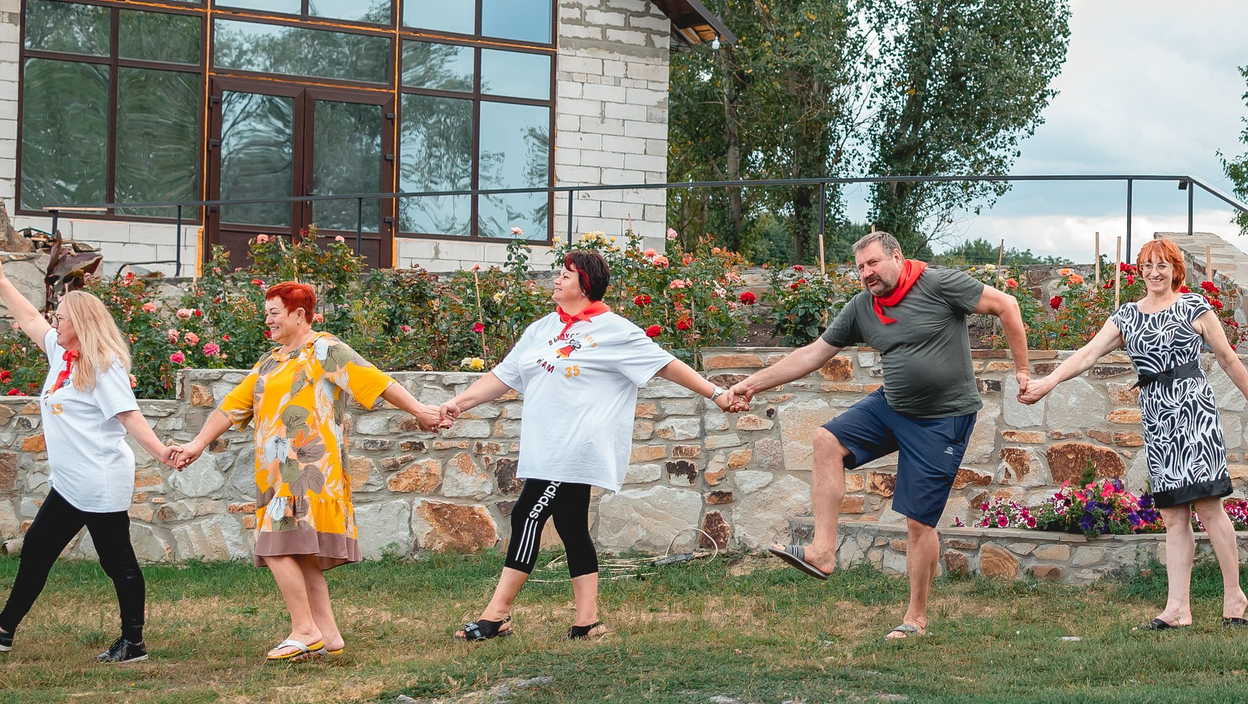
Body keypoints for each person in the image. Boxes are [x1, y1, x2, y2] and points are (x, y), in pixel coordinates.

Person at [717, 231, 1032, 640]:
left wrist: (1022, 371)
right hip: (893, 406)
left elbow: (1007, 305)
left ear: (896, 257)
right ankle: (822, 552)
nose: (866, 273)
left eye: (873, 263)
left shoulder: (938, 284)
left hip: (943, 419)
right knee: (826, 441)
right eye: (860, 267)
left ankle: (915, 617)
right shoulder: (863, 307)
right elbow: (813, 354)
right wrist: (752, 384)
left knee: (919, 522)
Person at [435, 250, 733, 641]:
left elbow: (664, 364)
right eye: (558, 274)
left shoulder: (616, 331)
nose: (556, 280)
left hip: (578, 447)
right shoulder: (541, 329)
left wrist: (717, 393)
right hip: (546, 447)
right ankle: (587, 622)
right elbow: (504, 375)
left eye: (566, 275)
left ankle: (497, 614)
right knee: (571, 526)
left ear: (586, 285)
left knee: (527, 514)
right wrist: (458, 402)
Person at [1018, 238, 1248, 629]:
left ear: (1175, 270)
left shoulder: (1193, 306)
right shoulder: (1126, 316)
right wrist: (1048, 383)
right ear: (1139, 271)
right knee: (1173, 515)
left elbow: (1228, 358)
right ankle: (1177, 608)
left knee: (1209, 508)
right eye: (1147, 266)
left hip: (1194, 414)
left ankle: (1235, 598)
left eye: (1162, 265)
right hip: (1158, 418)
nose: (1155, 272)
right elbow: (1086, 354)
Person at [168, 281, 439, 660]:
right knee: (299, 553)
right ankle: (328, 635)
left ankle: (304, 629)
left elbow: (376, 380)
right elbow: (233, 406)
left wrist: (421, 411)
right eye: (267, 312)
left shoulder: (323, 349)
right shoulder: (271, 360)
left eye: (274, 313)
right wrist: (196, 445)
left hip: (310, 467)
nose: (268, 320)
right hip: (275, 473)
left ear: (299, 315)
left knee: (276, 545)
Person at [0, 257, 181, 662]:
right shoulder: (62, 356)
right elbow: (28, 319)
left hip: (98, 482)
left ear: (80, 323)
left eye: (60, 317)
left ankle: (133, 643)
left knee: (118, 563)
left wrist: (162, 452)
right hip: (70, 482)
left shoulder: (103, 365)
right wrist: (0, 280)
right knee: (38, 548)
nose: (53, 321)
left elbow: (128, 415)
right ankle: (3, 629)